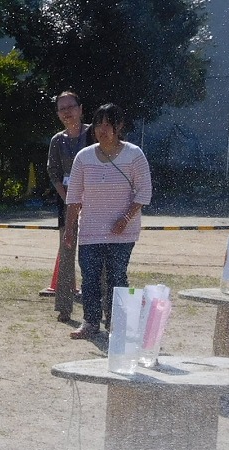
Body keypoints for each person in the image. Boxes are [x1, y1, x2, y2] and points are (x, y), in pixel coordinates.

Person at [63, 103, 153, 340]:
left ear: (119, 126)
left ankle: (118, 323)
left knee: (117, 276)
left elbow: (144, 193)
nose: (103, 129)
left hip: (123, 231)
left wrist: (125, 218)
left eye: (108, 124)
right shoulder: (84, 157)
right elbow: (74, 197)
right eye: (98, 124)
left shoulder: (134, 155)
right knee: (90, 277)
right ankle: (90, 322)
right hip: (90, 230)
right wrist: (70, 229)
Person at [47, 91, 92, 324]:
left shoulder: (94, 133)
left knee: (94, 254)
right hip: (67, 203)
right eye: (61, 108)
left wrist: (86, 199)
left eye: (70, 107)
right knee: (66, 254)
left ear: (80, 108)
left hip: (95, 204)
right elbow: (54, 173)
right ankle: (64, 308)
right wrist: (69, 198)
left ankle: (99, 303)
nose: (67, 112)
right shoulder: (57, 140)